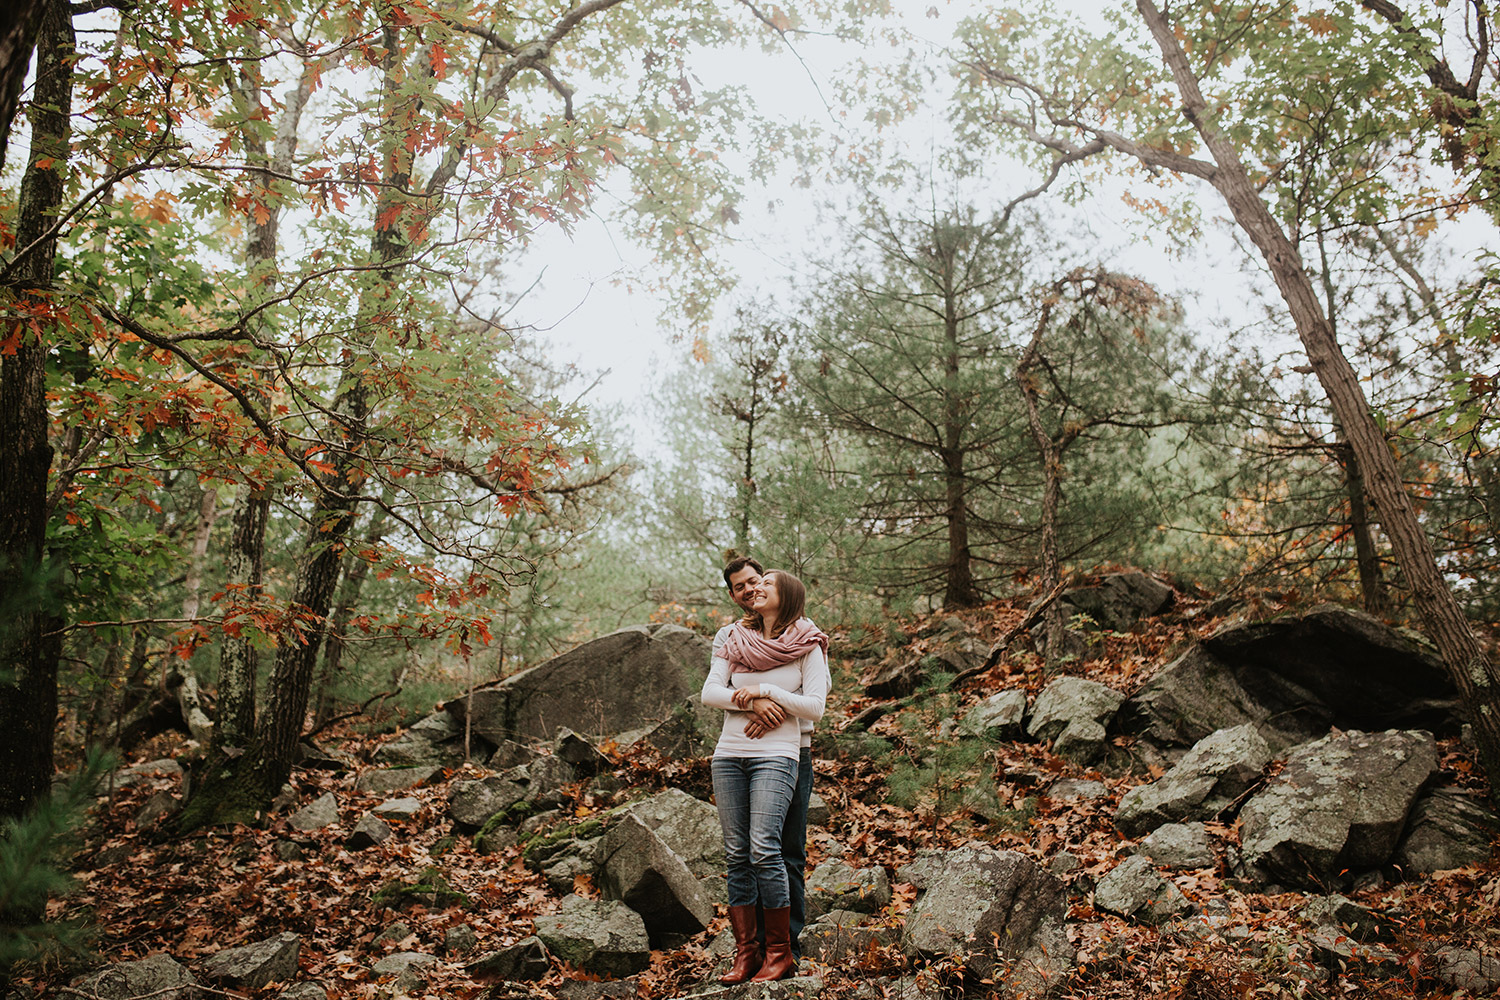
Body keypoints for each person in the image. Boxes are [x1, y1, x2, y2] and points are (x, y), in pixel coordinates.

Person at [702, 568, 830, 983]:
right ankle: (747, 953)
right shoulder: (735, 636)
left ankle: (782, 950)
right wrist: (751, 705)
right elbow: (711, 692)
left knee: (771, 850)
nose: (754, 589)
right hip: (730, 753)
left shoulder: (808, 641)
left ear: (786, 594)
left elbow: (814, 705)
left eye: (763, 583)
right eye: (746, 586)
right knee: (738, 854)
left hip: (785, 752)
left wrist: (769, 695)